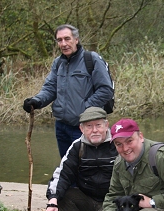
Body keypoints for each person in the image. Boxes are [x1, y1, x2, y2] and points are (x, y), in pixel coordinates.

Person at [23, 24, 114, 158]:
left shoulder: (92, 60)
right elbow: (50, 88)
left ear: (76, 39)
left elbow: (106, 90)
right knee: (67, 167)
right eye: (60, 40)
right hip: (61, 126)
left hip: (86, 127)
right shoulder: (58, 63)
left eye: (67, 39)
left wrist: (85, 109)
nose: (64, 43)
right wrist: (36, 101)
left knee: (87, 167)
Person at [45, 107, 118, 211]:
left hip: (113, 200)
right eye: (89, 126)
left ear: (106, 125)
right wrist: (52, 200)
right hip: (87, 198)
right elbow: (62, 175)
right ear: (81, 128)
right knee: (62, 195)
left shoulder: (118, 144)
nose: (94, 130)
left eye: (98, 125)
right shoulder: (77, 146)